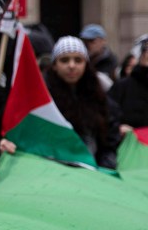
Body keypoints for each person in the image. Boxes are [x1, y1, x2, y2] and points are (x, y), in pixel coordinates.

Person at [47, 36, 122, 168]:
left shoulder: (100, 100)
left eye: (78, 60)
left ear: (86, 64)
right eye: (64, 60)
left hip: (93, 173)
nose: (72, 66)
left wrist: (106, 166)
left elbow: (109, 142)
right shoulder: (45, 101)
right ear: (54, 65)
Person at [109, 37, 148, 130]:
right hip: (130, 141)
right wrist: (118, 128)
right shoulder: (122, 87)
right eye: (146, 49)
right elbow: (107, 115)